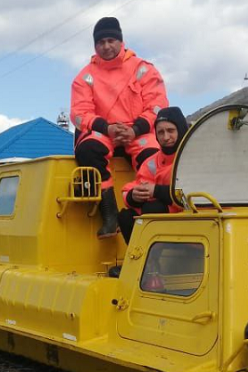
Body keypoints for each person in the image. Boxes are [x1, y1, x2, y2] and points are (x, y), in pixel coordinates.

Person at [70, 16, 169, 239]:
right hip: (104, 133)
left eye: (111, 40)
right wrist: (108, 128)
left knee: (155, 158)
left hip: (139, 133)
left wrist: (135, 129)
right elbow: (79, 113)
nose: (106, 46)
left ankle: (146, 214)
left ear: (120, 41)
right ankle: (110, 214)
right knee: (88, 150)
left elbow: (157, 105)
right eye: (101, 42)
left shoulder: (144, 70)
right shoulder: (84, 77)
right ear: (95, 46)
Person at [117, 106, 189, 243]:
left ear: (181, 130)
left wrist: (156, 191)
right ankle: (146, 261)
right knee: (125, 217)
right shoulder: (152, 162)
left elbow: (192, 193)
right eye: (160, 132)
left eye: (170, 131)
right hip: (165, 213)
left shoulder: (193, 157)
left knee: (152, 209)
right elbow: (136, 185)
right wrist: (133, 196)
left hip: (190, 215)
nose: (166, 137)